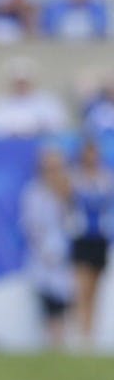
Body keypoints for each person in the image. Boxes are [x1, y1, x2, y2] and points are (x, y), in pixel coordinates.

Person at [19, 147, 75, 349]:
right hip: (43, 257)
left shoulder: (68, 191)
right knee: (49, 304)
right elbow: (31, 225)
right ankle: (53, 343)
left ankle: (63, 343)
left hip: (66, 256)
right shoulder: (33, 192)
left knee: (67, 303)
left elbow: (74, 223)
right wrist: (44, 249)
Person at [67, 136, 114, 347]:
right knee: (82, 287)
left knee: (95, 288)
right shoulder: (75, 179)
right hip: (82, 238)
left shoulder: (106, 179)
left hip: (100, 239)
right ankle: (79, 333)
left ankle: (89, 334)